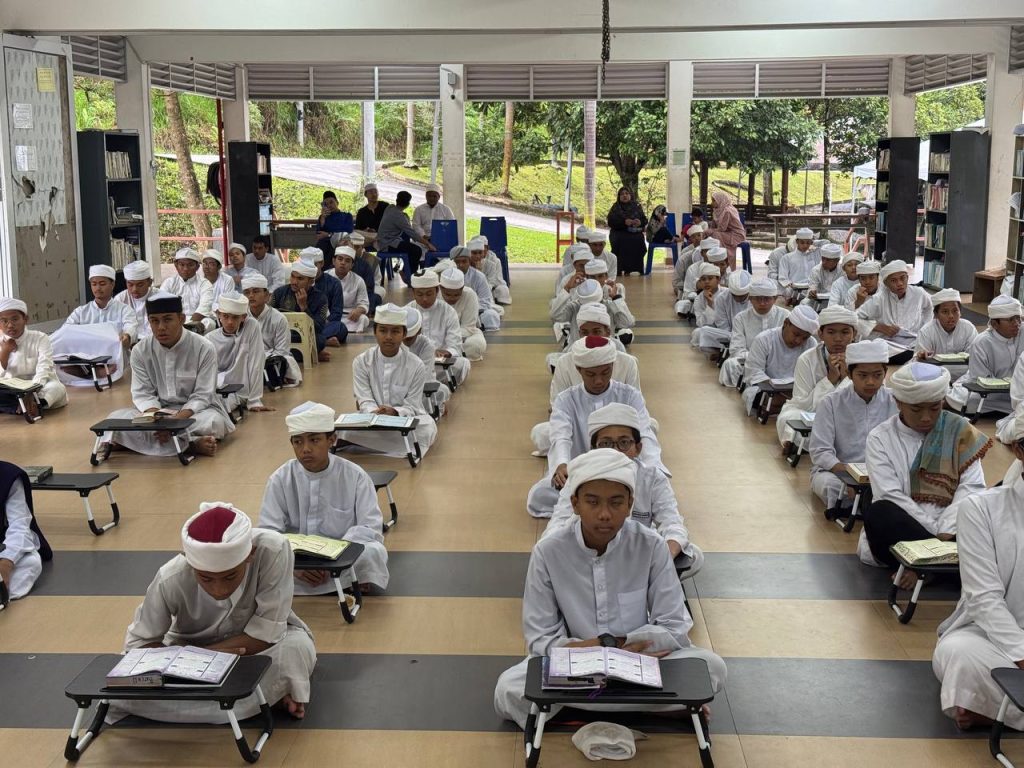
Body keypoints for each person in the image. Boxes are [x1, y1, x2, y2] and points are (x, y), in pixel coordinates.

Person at [495, 449, 726, 729]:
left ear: (630, 504)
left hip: (638, 661)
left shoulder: (651, 545)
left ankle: (580, 710)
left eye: (616, 503)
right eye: (592, 502)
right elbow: (540, 638)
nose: (604, 514)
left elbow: (675, 626)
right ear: (575, 503)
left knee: (712, 667)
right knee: (508, 689)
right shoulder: (549, 552)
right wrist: (600, 650)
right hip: (578, 663)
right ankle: (645, 709)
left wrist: (618, 648)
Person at [117, 502, 316, 722]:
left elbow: (268, 632)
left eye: (230, 576)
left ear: (250, 554)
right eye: (206, 578)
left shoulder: (273, 550)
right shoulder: (171, 576)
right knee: (125, 680)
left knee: (296, 648)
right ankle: (265, 697)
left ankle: (205, 704)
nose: (219, 590)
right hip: (188, 652)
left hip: (252, 651)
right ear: (189, 562)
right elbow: (137, 645)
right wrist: (199, 659)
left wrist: (204, 656)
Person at [932, 416, 1024, 731]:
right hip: (991, 638)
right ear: (1019, 451)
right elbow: (984, 598)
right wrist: (1021, 654)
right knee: (959, 655)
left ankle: (994, 711)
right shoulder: (981, 509)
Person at [861, 362, 990, 571]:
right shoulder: (880, 438)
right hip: (908, 530)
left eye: (935, 408)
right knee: (880, 511)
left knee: (998, 500)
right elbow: (890, 494)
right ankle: (943, 567)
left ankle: (923, 570)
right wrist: (936, 536)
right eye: (916, 409)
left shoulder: (960, 430)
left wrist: (947, 529)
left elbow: (971, 488)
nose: (926, 417)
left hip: (954, 528)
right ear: (899, 403)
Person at [542, 404, 702, 569]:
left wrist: (663, 560)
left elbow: (672, 523)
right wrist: (553, 554)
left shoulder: (652, 478)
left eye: (624, 443)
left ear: (638, 448)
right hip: (588, 557)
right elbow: (559, 522)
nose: (616, 452)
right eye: (606, 444)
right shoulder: (578, 476)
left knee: (691, 554)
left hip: (637, 558)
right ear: (593, 449)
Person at [526, 336, 664, 519]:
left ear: (613, 366)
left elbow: (645, 432)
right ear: (579, 369)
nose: (599, 380)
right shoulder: (566, 399)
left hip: (625, 468)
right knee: (539, 495)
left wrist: (654, 469)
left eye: (605, 373)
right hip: (582, 470)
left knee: (652, 487)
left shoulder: (630, 395)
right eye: (591, 374)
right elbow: (561, 435)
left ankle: (588, 505)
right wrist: (562, 464)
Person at [260, 402, 389, 592]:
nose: (305, 449)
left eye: (314, 440)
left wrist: (335, 559)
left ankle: (341, 577)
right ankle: (347, 584)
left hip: (341, 556)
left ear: (332, 440)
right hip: (296, 562)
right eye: (298, 442)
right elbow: (269, 532)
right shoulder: (280, 479)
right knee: (254, 558)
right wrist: (295, 565)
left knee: (373, 552)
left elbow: (369, 527)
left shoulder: (355, 476)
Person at [100, 292, 235, 458]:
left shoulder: (204, 348)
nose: (161, 327)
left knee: (213, 422)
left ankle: (134, 444)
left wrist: (177, 421)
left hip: (194, 413)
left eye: (167, 319)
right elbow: (143, 394)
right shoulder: (140, 350)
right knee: (116, 418)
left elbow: (202, 395)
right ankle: (189, 444)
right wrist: (158, 421)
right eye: (154, 321)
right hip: (156, 414)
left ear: (181, 319)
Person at [531, 304, 640, 457]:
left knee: (650, 425)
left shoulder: (627, 362)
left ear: (608, 332)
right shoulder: (565, 362)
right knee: (541, 432)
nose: (590, 337)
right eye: (584, 333)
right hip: (578, 425)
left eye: (596, 331)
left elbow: (634, 409)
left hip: (617, 426)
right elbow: (557, 405)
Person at [337, 305, 438, 457]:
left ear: (404, 334)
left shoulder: (416, 365)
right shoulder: (361, 361)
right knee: (341, 428)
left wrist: (395, 412)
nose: (389, 337)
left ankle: (363, 444)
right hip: (372, 419)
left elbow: (413, 405)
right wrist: (375, 412)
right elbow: (364, 400)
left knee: (428, 428)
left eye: (395, 331)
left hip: (402, 421)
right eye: (383, 331)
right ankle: (395, 445)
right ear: (375, 332)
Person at [809, 339, 896, 512]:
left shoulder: (895, 401)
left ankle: (866, 503)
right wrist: (849, 476)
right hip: (840, 472)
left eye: (877, 375)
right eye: (862, 375)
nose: (870, 382)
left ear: (885, 373)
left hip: (883, 472)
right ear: (849, 374)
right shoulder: (831, 403)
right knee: (829, 486)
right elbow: (820, 451)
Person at [776, 305, 858, 448]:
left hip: (850, 417)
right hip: (811, 413)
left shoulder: (864, 359)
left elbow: (865, 402)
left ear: (854, 334)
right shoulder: (807, 359)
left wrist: (846, 378)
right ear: (821, 334)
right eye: (831, 332)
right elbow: (802, 402)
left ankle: (805, 444)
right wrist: (830, 379)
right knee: (788, 417)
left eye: (845, 332)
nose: (838, 339)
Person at [52, 264, 137, 386]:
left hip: (113, 359)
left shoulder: (124, 310)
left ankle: (93, 370)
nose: (98, 288)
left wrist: (127, 336)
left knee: (112, 337)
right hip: (85, 356)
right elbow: (66, 330)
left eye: (102, 284)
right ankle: (92, 371)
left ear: (112, 284)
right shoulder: (81, 312)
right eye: (94, 284)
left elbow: (131, 326)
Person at [950, 296, 1023, 421]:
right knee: (972, 400)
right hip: (991, 393)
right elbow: (981, 380)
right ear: (994, 324)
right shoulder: (981, 343)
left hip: (1019, 389)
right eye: (1011, 320)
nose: (1016, 324)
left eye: (1018, 318)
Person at [741, 306, 820, 415]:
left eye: (804, 338)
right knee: (754, 395)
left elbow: (812, 376)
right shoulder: (764, 339)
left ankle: (783, 407)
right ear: (786, 323)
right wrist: (776, 388)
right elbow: (754, 373)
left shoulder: (811, 344)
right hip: (768, 390)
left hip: (797, 392)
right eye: (796, 334)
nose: (798, 341)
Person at [0, 298, 67, 417]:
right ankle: (26, 407)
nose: (10, 325)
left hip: (39, 387)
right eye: (4, 321)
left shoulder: (40, 338)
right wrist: (5, 352)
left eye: (15, 319)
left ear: (25, 319)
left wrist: (30, 392)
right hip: (12, 390)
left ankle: (26, 405)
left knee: (57, 388)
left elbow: (44, 367)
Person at [404, 268, 469, 387]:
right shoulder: (405, 312)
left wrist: (447, 352)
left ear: (437, 290)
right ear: (413, 292)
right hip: (414, 361)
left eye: (429, 294)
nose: (425, 299)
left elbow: (455, 344)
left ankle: (418, 381)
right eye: (420, 294)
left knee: (463, 364)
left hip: (439, 363)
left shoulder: (448, 311)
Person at [207, 292, 271, 413]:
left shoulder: (251, 326)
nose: (230, 322)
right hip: (215, 388)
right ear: (218, 315)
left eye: (235, 317)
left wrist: (254, 400)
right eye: (225, 316)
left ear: (243, 317)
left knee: (218, 408)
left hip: (239, 392)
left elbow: (256, 364)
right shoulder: (210, 338)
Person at [719, 278, 788, 389]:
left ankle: (754, 385)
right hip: (750, 361)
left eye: (767, 299)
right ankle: (756, 386)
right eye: (758, 299)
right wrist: (757, 358)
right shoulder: (741, 318)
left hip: (777, 362)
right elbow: (736, 350)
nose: (762, 303)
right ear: (750, 299)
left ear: (775, 299)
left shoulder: (785, 316)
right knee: (730, 365)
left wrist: (771, 359)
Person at [0, 460, 52, 603]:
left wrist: (6, 563)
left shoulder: (7, 475)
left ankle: (3, 591)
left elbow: (19, 525)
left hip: (2, 547)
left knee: (31, 562)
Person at [856, 259, 932, 356]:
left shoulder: (918, 293)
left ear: (907, 278)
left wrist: (924, 327)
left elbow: (932, 307)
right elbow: (854, 318)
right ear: (886, 284)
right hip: (887, 342)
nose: (899, 283)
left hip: (912, 340)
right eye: (893, 280)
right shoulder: (879, 299)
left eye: (902, 278)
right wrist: (880, 327)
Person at [241, 275, 302, 388]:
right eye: (246, 292)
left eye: (256, 291)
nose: (251, 296)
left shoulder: (279, 319)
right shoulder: (240, 317)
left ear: (267, 296)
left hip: (270, 361)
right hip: (245, 360)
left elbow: (282, 351)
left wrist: (261, 357)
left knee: (284, 360)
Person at [270, 259, 331, 362]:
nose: (294, 282)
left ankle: (289, 356)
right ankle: (306, 355)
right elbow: (267, 316)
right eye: (292, 276)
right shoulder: (279, 293)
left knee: (320, 340)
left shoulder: (321, 298)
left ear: (311, 282)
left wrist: (304, 307)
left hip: (303, 337)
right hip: (281, 335)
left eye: (300, 278)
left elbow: (319, 328)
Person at [915, 288, 977, 387]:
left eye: (955, 311)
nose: (951, 316)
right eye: (945, 312)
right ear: (936, 314)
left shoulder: (968, 328)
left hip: (963, 374)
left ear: (960, 312)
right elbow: (919, 360)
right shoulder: (926, 331)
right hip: (936, 373)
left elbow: (974, 357)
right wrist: (922, 355)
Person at [693, 268, 751, 356]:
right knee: (702, 332)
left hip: (751, 335)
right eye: (735, 295)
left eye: (742, 296)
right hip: (730, 334)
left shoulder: (755, 298)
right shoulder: (722, 298)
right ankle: (728, 350)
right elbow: (723, 325)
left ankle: (726, 352)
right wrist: (736, 337)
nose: (738, 298)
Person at [377, 190, 435, 277]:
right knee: (416, 250)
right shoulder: (400, 216)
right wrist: (428, 244)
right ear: (408, 204)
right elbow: (412, 233)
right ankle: (409, 275)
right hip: (387, 244)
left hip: (384, 241)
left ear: (397, 200)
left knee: (411, 246)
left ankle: (406, 271)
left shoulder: (390, 208)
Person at [402, 305, 451, 407]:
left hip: (420, 386)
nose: (405, 340)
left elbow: (424, 376)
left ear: (419, 331)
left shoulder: (427, 345)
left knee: (442, 391)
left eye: (409, 338)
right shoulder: (391, 343)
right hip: (396, 386)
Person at [161, 248, 215, 332]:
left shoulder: (204, 284)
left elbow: (204, 307)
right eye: (182, 265)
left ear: (197, 267)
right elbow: (162, 305)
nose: (186, 269)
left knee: (209, 323)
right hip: (175, 320)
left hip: (197, 320)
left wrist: (190, 324)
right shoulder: (169, 283)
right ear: (176, 265)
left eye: (190, 265)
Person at [438, 266, 486, 362]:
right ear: (440, 288)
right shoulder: (434, 295)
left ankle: (449, 353)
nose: (452, 298)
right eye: (447, 294)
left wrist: (449, 337)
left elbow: (468, 328)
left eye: (456, 295)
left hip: (463, 336)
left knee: (477, 344)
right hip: (437, 336)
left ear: (462, 288)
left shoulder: (470, 295)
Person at [458, 241, 502, 330]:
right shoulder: (455, 270)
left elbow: (486, 298)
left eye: (480, 253)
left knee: (491, 315)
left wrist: (472, 307)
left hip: (477, 305)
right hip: (457, 307)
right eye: (474, 253)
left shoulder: (490, 265)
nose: (477, 256)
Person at [326, 246, 370, 334]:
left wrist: (358, 310)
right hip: (329, 315)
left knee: (364, 319)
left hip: (349, 317)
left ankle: (334, 328)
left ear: (352, 265)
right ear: (334, 261)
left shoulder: (358, 280)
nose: (343, 263)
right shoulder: (325, 277)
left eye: (347, 261)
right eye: (340, 259)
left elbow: (364, 303)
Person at [606, 186, 648, 276]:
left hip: (634, 232)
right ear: (619, 196)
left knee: (638, 239)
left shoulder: (636, 206)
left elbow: (644, 220)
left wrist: (640, 222)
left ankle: (635, 268)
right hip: (619, 232)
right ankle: (619, 269)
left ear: (630, 195)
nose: (624, 196)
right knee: (622, 240)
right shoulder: (616, 207)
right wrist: (624, 222)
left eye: (626, 193)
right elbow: (610, 221)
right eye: (622, 194)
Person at [673, 235, 718, 317]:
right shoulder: (693, 268)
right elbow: (687, 292)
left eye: (714, 251)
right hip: (698, 299)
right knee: (682, 305)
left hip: (719, 299)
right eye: (707, 251)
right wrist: (699, 289)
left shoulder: (722, 266)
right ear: (702, 253)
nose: (711, 254)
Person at [114, 260, 158, 342]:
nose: (134, 289)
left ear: (150, 282)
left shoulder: (160, 298)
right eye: (130, 284)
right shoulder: (120, 299)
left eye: (140, 285)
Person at [412, 183, 454, 260]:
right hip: (423, 240)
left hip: (441, 241)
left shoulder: (446, 210)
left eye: (434, 196)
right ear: (426, 196)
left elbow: (451, 226)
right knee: (416, 250)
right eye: (429, 196)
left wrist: (439, 237)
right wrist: (424, 236)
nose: (431, 198)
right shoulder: (419, 209)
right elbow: (416, 225)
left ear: (439, 197)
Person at [778, 228, 820, 305]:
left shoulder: (814, 255)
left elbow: (827, 243)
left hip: (811, 288)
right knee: (788, 291)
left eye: (808, 243)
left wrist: (814, 242)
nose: (805, 245)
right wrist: (789, 284)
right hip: (794, 289)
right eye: (802, 242)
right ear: (797, 241)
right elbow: (782, 278)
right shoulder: (787, 257)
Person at [706, 190, 746, 270]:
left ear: (720, 200)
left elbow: (722, 228)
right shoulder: (717, 210)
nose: (712, 203)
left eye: (714, 200)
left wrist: (710, 231)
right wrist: (708, 231)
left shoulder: (727, 211)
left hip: (736, 235)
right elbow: (713, 226)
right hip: (726, 233)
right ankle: (710, 261)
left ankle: (723, 261)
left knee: (716, 235)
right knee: (710, 235)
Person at [471, 234, 512, 306]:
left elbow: (496, 280)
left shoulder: (494, 261)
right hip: (473, 285)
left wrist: (486, 287)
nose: (478, 255)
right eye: (475, 252)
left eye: (481, 250)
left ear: (487, 248)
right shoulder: (467, 260)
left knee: (503, 290)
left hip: (491, 285)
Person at [315, 190, 351, 261]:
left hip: (341, 245)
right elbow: (319, 234)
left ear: (337, 202)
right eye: (326, 204)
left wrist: (329, 235)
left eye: (331, 202)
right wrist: (323, 218)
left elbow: (347, 232)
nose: (329, 205)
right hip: (324, 246)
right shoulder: (323, 217)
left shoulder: (347, 216)